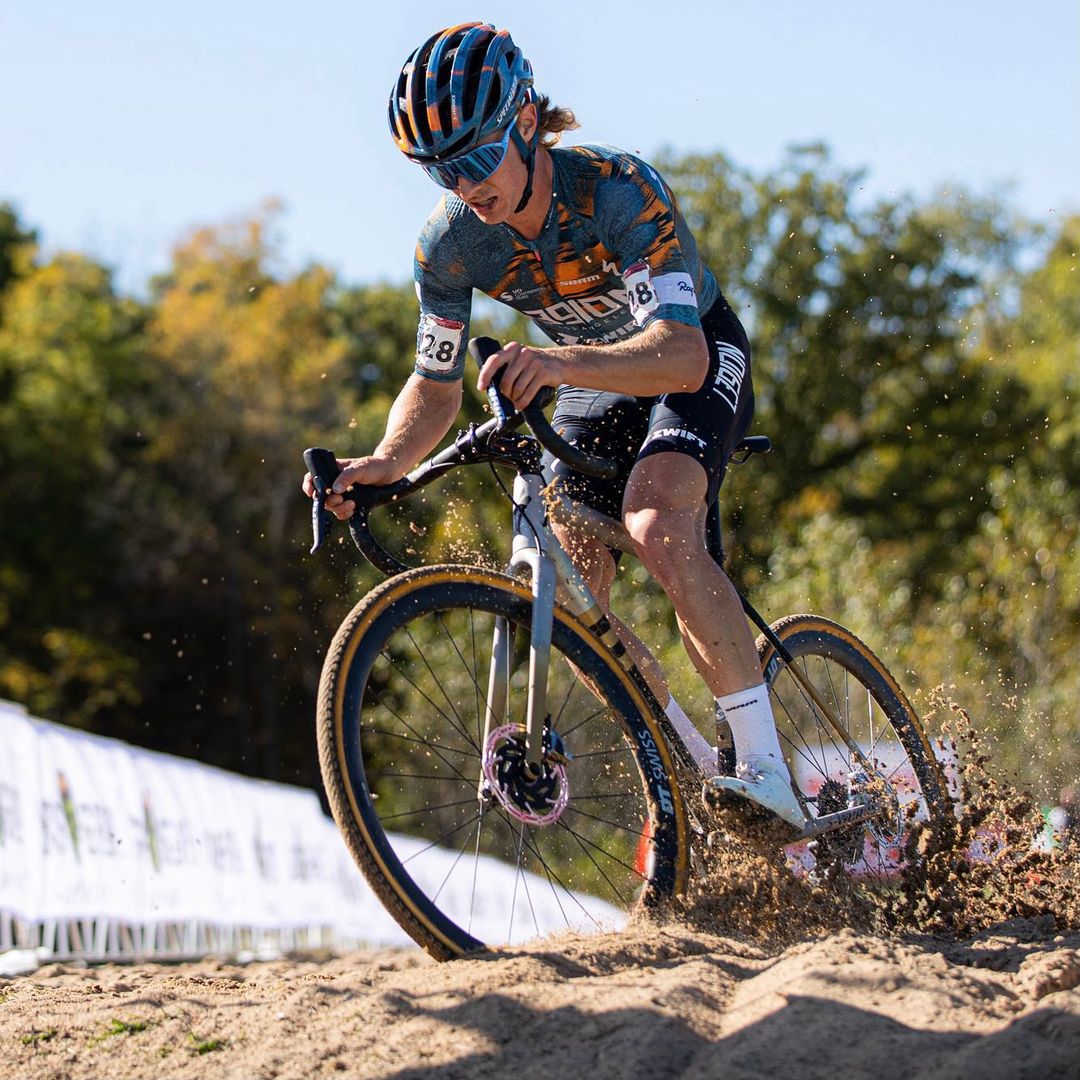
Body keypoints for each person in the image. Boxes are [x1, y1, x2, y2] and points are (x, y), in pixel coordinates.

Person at [303, 22, 803, 829]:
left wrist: (559, 363)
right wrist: (386, 461)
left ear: (527, 123)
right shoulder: (450, 245)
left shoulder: (614, 189)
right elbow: (434, 384)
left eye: (472, 159)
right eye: (438, 170)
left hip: (690, 352)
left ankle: (767, 769)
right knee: (564, 586)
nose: (463, 186)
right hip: (587, 374)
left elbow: (678, 355)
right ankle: (690, 762)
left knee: (655, 519)